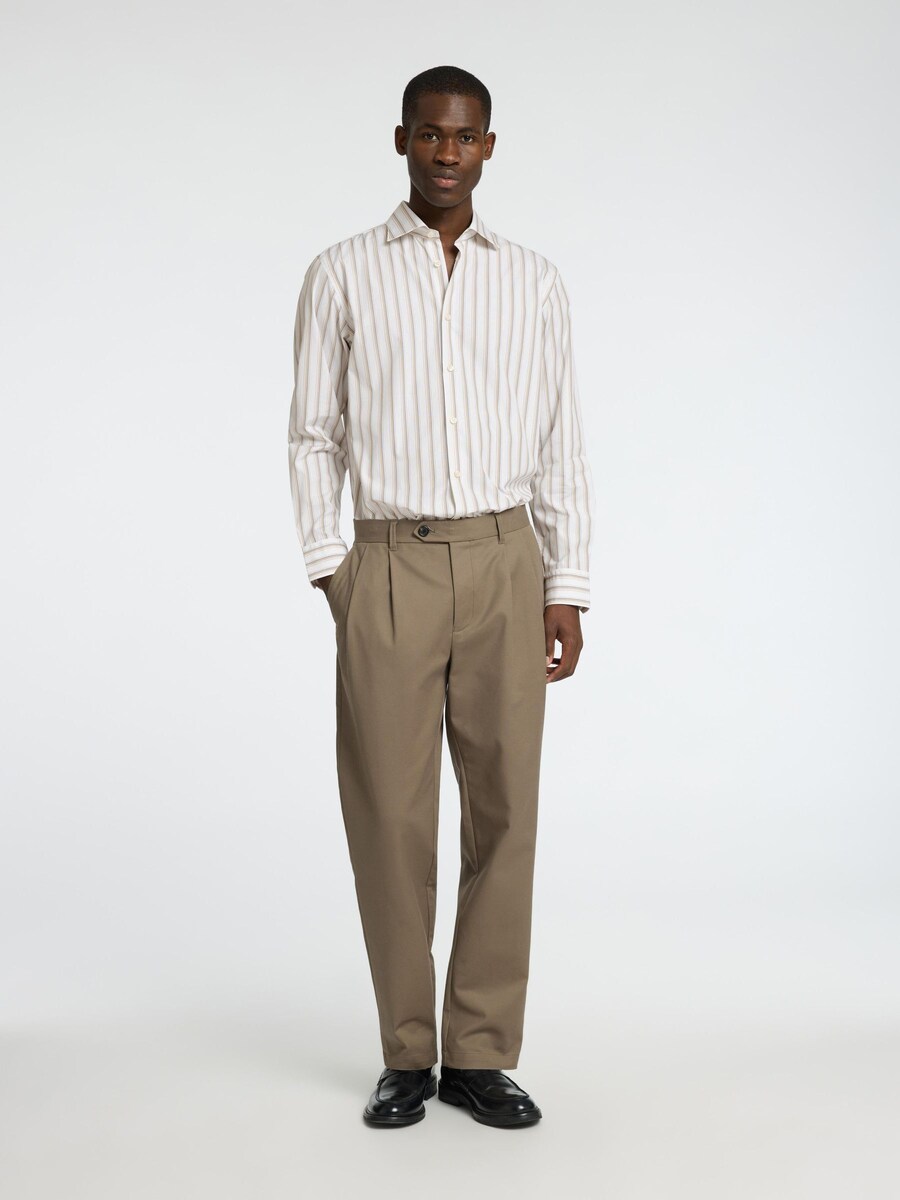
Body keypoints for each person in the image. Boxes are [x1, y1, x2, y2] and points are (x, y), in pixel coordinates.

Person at [287, 64, 594, 1128]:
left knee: (505, 810)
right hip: (388, 562)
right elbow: (312, 432)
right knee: (389, 814)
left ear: (489, 147)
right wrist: (333, 567)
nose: (446, 153)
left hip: (508, 560)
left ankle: (479, 1053)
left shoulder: (535, 280)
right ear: (402, 140)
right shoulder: (342, 272)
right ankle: (406, 1053)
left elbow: (560, 439)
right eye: (429, 134)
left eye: (464, 137)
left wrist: (567, 583)